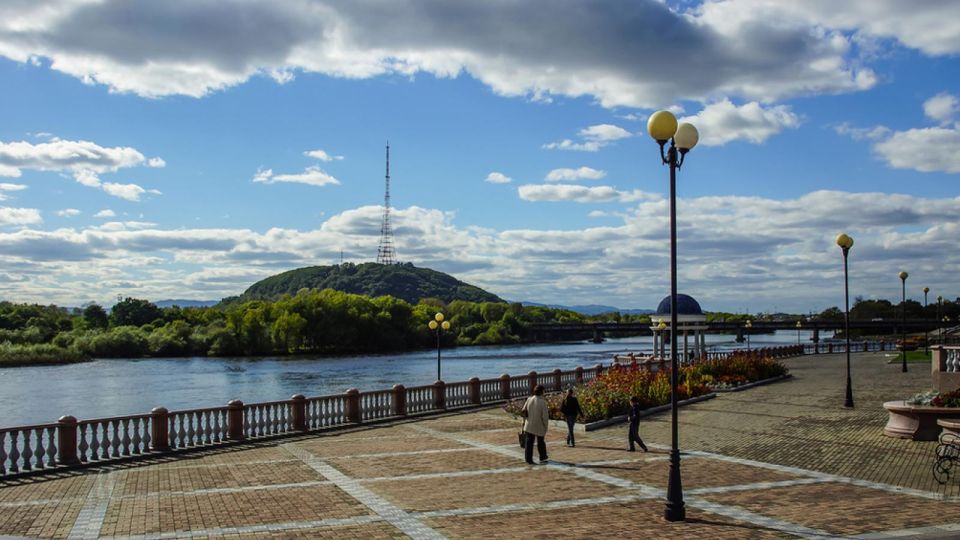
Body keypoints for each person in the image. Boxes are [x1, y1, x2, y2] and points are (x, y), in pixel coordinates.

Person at [521, 385, 550, 464]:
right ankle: (543, 457)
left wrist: (523, 422)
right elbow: (545, 417)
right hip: (539, 425)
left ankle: (528, 459)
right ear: (542, 392)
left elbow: (523, 411)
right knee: (541, 442)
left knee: (529, 442)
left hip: (529, 424)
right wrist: (546, 426)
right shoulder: (542, 402)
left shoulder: (529, 399)